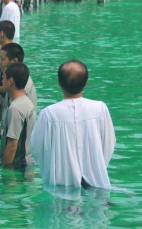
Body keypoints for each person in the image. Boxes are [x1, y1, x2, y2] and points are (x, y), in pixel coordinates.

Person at [31, 60, 115, 189]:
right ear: (86, 82)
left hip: (61, 182)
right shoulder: (100, 109)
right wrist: (97, 167)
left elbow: (37, 148)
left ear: (59, 82)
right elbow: (109, 143)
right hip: (96, 182)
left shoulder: (49, 114)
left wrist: (51, 171)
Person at [0, 63, 36, 168]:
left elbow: (12, 146)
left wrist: (5, 170)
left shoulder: (15, 108)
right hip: (27, 162)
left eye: (3, 78)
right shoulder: (27, 102)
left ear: (10, 81)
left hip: (17, 166)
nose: (2, 81)